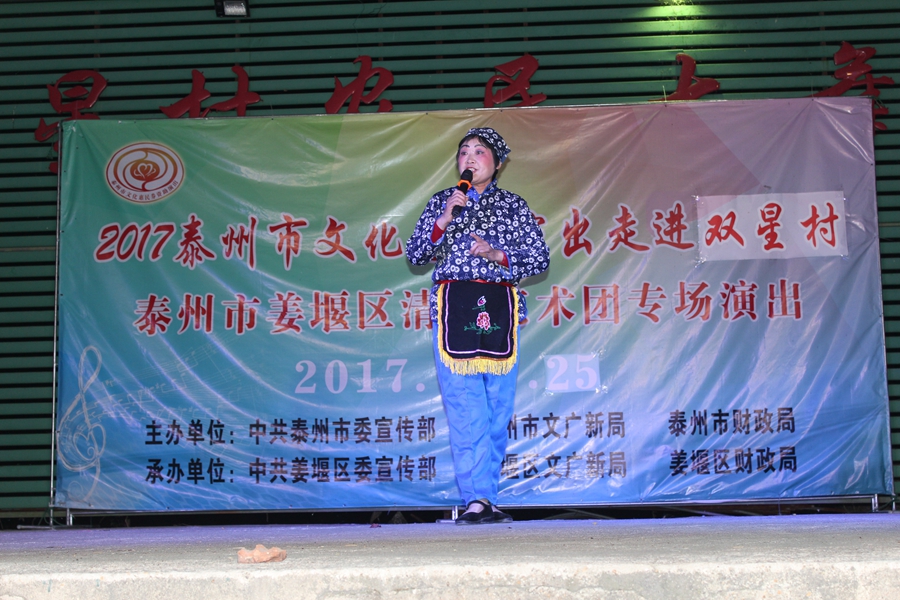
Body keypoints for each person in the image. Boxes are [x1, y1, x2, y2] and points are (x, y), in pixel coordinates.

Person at [406, 127, 550, 524]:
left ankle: (486, 495)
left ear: (498, 163)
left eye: (480, 151)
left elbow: (539, 258)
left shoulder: (513, 206)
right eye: (463, 151)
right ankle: (477, 498)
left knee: (497, 408)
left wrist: (496, 254)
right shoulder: (443, 201)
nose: (469, 158)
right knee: (464, 405)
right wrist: (443, 218)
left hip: (499, 308)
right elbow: (416, 254)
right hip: (454, 307)